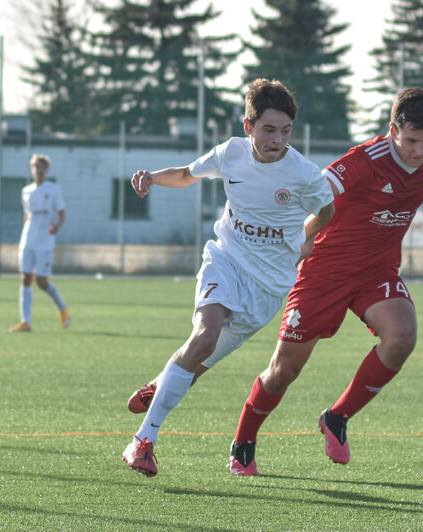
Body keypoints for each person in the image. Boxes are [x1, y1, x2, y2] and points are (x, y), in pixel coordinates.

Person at [120, 78, 336, 478]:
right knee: (203, 337)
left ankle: (160, 383)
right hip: (226, 259)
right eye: (269, 129)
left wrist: (303, 239)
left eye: (286, 131)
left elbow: (326, 211)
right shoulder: (231, 153)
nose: (277, 139)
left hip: (269, 288)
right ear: (248, 126)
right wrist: (152, 177)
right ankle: (142, 442)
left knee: (197, 364)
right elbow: (186, 174)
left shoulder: (304, 174)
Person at [227, 87, 423, 476]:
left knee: (402, 339)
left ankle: (337, 417)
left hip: (376, 272)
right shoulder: (364, 162)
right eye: (411, 140)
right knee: (284, 371)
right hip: (324, 272)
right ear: (392, 130)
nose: (418, 151)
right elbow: (313, 194)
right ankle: (244, 441)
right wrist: (298, 238)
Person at [10, 154, 70, 332]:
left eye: (43, 167)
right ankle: (25, 321)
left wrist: (56, 227)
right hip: (28, 239)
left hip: (45, 240)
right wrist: (23, 233)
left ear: (47, 170)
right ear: (32, 169)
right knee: (26, 277)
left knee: (41, 282)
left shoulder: (53, 189)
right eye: (37, 167)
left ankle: (62, 307)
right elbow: (27, 215)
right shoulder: (26, 191)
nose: (39, 170)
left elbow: (62, 213)